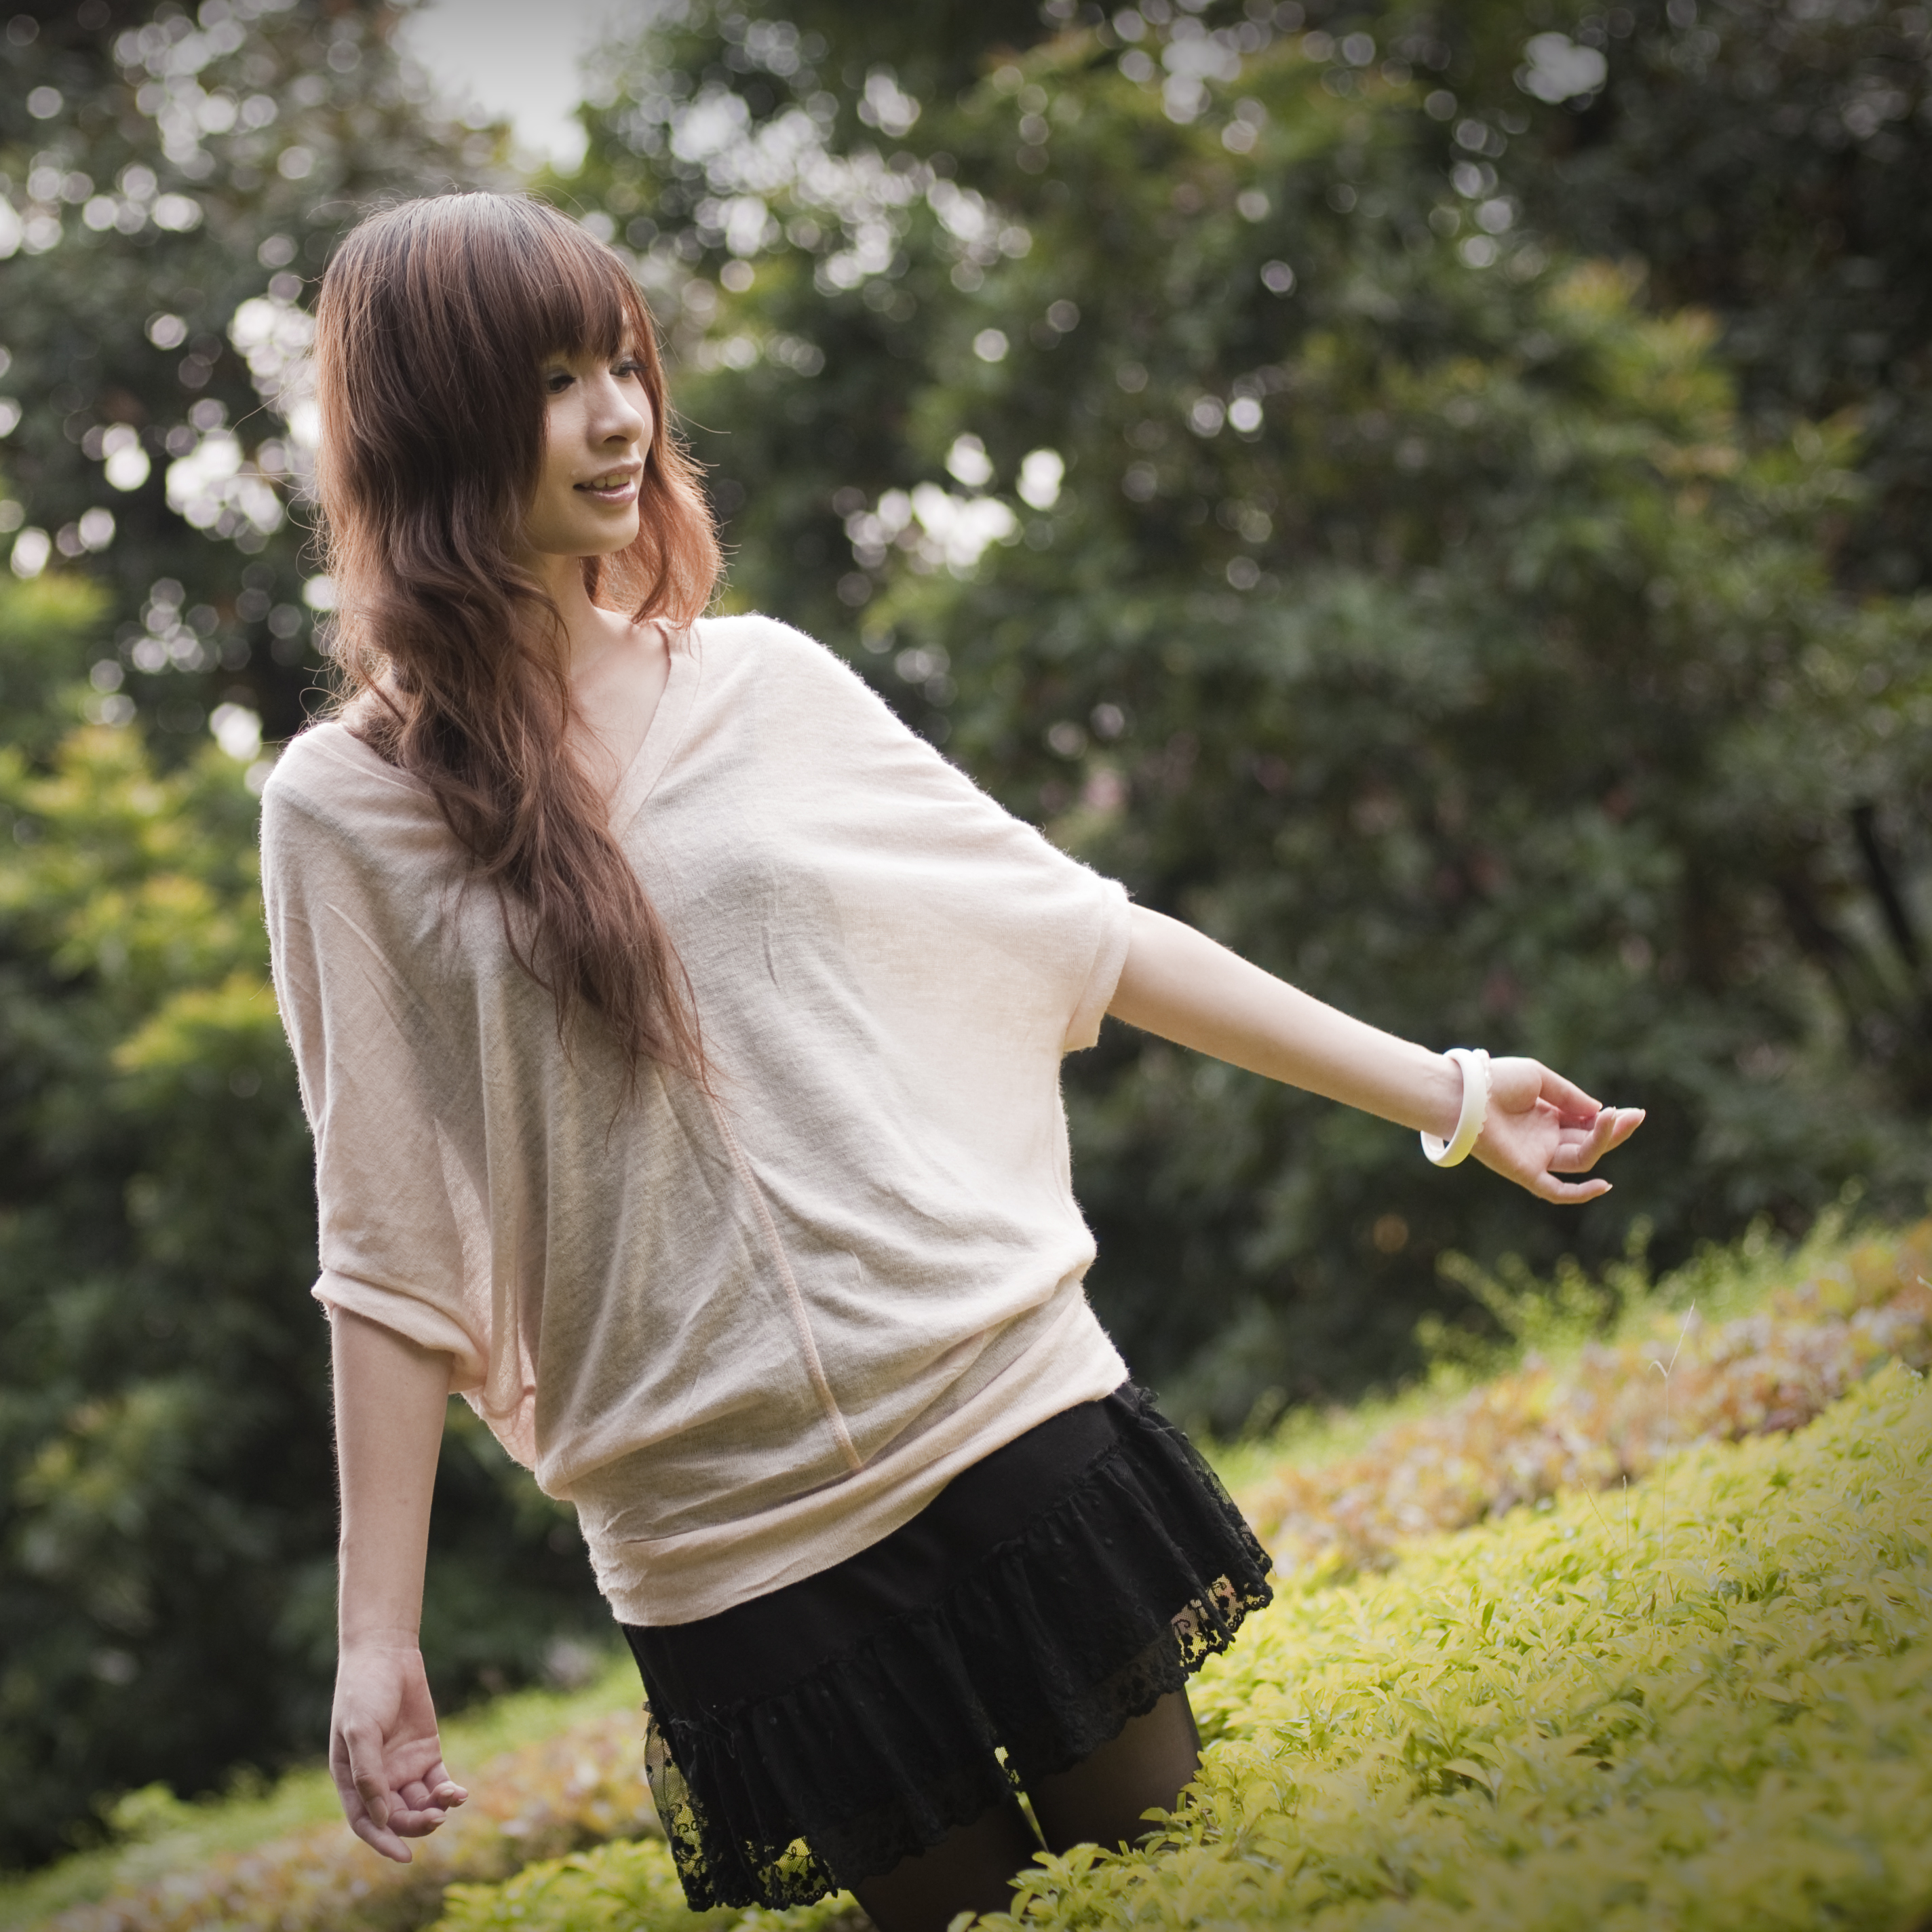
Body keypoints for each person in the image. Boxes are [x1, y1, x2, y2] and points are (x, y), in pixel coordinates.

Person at [261, 193, 1642, 1932]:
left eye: (625, 361)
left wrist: (1446, 1091)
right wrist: (374, 1636)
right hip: (723, 1533)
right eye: (551, 380)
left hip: (997, 1409)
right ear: (429, 424)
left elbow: (1082, 932)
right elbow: (383, 1245)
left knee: (1187, 1895)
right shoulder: (338, 810)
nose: (620, 417)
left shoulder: (757, 686)